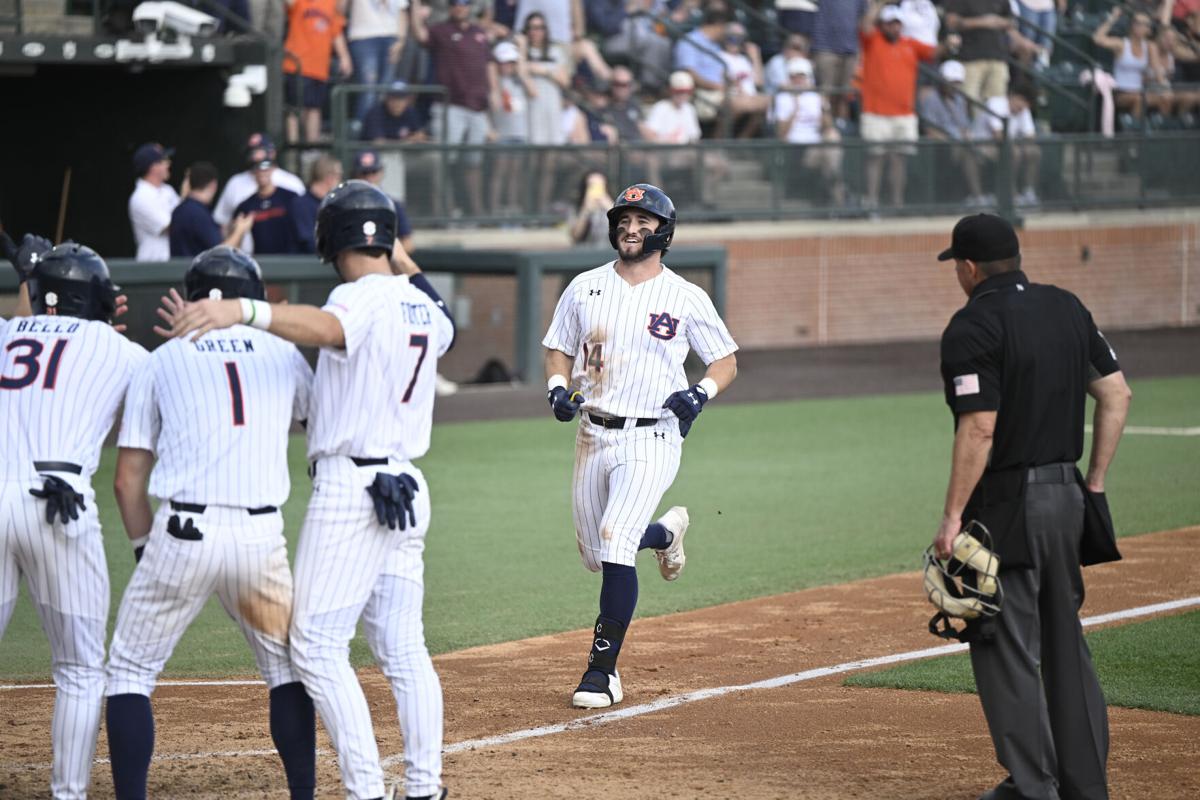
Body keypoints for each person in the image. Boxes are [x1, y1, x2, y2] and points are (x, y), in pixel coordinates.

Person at [158, 180, 455, 800]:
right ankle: (425, 788)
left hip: (354, 492)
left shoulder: (357, 297)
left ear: (330, 237)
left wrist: (245, 311)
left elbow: (325, 328)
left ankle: (366, 790)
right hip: (406, 486)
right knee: (403, 648)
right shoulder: (425, 308)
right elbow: (427, 299)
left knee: (317, 647)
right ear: (388, 239)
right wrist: (398, 251)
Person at [104, 247, 317, 800]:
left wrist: (144, 549)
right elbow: (317, 422)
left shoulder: (162, 358)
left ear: (191, 297)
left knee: (129, 670)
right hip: (260, 538)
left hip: (181, 533)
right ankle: (303, 794)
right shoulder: (283, 352)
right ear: (252, 295)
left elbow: (127, 481)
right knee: (286, 672)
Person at [933, 212, 1131, 800]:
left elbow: (980, 428)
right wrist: (1092, 482)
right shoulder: (1067, 306)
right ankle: (1085, 785)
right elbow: (1116, 394)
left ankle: (1032, 787)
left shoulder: (972, 325)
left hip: (1006, 506)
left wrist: (950, 520)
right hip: (1067, 496)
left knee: (1005, 646)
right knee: (1066, 642)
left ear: (968, 269)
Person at [542, 183, 738, 708]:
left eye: (643, 221)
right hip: (593, 433)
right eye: (624, 219)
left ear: (663, 232)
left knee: (613, 537)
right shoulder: (584, 287)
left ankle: (601, 672)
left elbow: (725, 361)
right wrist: (557, 389)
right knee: (596, 552)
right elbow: (558, 350)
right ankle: (666, 532)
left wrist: (701, 392)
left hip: (653, 434)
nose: (631, 228)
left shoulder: (685, 296)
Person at [0, 242, 147, 800]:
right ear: (102, 299)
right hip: (59, 507)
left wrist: (31, 283)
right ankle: (68, 793)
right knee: (81, 669)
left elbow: (31, 324)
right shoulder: (124, 351)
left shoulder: (6, 332)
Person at [857, 2, 949, 212]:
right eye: (890, 24)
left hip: (904, 113)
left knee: (899, 161)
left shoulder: (910, 44)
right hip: (875, 112)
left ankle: (897, 203)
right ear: (883, 25)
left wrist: (949, 43)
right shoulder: (873, 40)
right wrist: (876, 5)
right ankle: (871, 203)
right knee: (876, 159)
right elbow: (865, 26)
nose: (895, 28)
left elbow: (934, 52)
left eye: (898, 24)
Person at [413, 0, 493, 217]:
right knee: (443, 161)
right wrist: (414, 6)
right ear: (450, 8)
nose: (460, 7)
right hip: (450, 106)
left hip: (477, 107)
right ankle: (441, 211)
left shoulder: (479, 33)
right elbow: (420, 36)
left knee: (473, 163)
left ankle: (476, 211)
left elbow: (489, 67)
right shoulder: (441, 30)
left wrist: (491, 103)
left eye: (464, 3)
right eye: (456, 3)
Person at [214, 133, 307, 254]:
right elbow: (223, 223)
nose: (256, 156)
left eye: (260, 151)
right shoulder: (235, 183)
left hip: (289, 256)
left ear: (272, 153)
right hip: (250, 257)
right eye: (252, 152)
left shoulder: (291, 183)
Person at [773, 57, 845, 207]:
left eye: (801, 76)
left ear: (808, 78)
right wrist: (795, 107)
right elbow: (781, 134)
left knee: (832, 138)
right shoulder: (782, 98)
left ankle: (836, 199)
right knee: (829, 156)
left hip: (815, 146)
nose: (798, 80)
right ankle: (841, 198)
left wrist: (824, 107)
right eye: (794, 76)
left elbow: (827, 126)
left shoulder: (815, 97)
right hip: (795, 149)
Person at [919, 60, 988, 207]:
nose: (955, 86)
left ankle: (978, 195)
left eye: (957, 82)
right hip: (941, 148)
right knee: (968, 154)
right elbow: (930, 131)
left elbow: (965, 126)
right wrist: (953, 140)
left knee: (982, 151)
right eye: (952, 82)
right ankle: (977, 196)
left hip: (961, 143)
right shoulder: (932, 99)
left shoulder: (961, 99)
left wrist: (966, 135)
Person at [282, 0, 353, 143]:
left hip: (320, 68)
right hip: (296, 65)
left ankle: (312, 147)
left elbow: (336, 32)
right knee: (294, 109)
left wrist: (345, 57)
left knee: (315, 108)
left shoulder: (331, 3)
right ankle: (293, 148)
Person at [1093, 8, 1174, 121]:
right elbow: (1097, 39)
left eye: (1144, 24)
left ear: (1148, 29)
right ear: (1132, 25)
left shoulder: (1150, 46)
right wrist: (1113, 18)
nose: (1140, 27)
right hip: (1121, 91)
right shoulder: (1121, 44)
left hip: (1140, 90)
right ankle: (1132, 132)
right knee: (1140, 99)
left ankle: (1161, 129)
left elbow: (1157, 70)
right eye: (1137, 23)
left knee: (1166, 98)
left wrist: (1165, 89)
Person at [973, 86, 1043, 207]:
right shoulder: (995, 103)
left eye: (1026, 102)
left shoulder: (1023, 109)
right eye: (1020, 99)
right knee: (1013, 152)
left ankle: (1028, 192)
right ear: (1012, 96)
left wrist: (1023, 146)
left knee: (1034, 151)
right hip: (981, 144)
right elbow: (998, 135)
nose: (1022, 105)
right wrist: (1018, 145)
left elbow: (1030, 136)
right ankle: (1009, 194)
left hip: (1006, 145)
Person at [169, 161, 256, 258]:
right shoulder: (197, 213)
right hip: (196, 271)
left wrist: (232, 228)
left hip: (178, 271)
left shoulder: (180, 210)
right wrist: (240, 230)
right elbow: (220, 253)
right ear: (213, 185)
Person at [347, 0, 410, 121]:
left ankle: (378, 131)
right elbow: (340, 8)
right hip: (363, 36)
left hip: (391, 37)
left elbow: (402, 11)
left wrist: (401, 40)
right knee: (368, 89)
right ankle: (362, 132)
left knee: (384, 90)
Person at [489, 39, 532, 215]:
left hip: (519, 134)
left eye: (512, 63)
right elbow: (496, 104)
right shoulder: (495, 82)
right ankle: (495, 209)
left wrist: (521, 67)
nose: (508, 66)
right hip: (502, 134)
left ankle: (513, 208)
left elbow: (533, 91)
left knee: (515, 174)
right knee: (500, 172)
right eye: (504, 62)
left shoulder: (519, 81)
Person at [235, 149, 306, 254]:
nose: (262, 172)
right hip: (263, 261)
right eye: (257, 169)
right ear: (253, 172)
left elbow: (304, 230)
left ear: (272, 169)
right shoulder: (247, 205)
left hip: (291, 259)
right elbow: (235, 233)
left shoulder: (290, 197)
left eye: (265, 168)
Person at [943, 0, 1013, 103]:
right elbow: (950, 21)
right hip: (971, 58)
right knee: (970, 103)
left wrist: (999, 21)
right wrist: (982, 22)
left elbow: (1011, 22)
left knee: (997, 104)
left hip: (998, 58)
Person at [809, 0, 869, 120]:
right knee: (826, 93)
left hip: (850, 49)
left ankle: (841, 128)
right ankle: (826, 129)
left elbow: (864, 20)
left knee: (845, 95)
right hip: (825, 48)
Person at [354, 150, 416, 251]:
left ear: (381, 172)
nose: (369, 178)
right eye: (364, 173)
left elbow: (408, 244)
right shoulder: (348, 205)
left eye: (373, 172)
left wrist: (382, 256)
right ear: (356, 175)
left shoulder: (392, 204)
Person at [128, 142, 181, 261]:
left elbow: (185, 218)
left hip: (171, 262)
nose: (168, 164)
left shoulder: (168, 190)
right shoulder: (140, 197)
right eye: (164, 161)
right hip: (152, 266)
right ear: (153, 167)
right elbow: (174, 226)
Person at [293, 154, 345, 254]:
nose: (340, 181)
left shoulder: (335, 203)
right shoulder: (301, 204)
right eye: (339, 175)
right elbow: (308, 241)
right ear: (329, 177)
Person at [361, 80, 430, 142]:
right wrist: (406, 141)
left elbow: (420, 134)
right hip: (377, 153)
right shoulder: (375, 113)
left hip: (404, 152)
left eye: (401, 99)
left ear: (407, 100)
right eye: (393, 98)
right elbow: (378, 142)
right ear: (386, 99)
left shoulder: (410, 111)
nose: (397, 103)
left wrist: (416, 138)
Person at [568, 169, 613, 247]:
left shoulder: (614, 205)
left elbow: (624, 231)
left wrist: (610, 208)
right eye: (592, 185)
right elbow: (575, 236)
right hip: (585, 253)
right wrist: (585, 210)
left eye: (599, 185)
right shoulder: (577, 208)